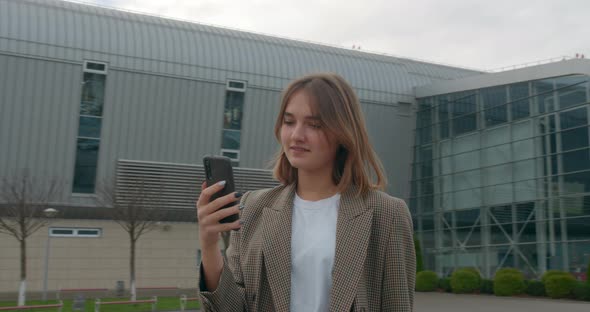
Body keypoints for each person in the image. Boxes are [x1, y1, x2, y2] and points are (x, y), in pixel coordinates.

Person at [196, 73, 415, 311]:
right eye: (289, 122)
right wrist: (209, 244)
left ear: (343, 132)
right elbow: (231, 308)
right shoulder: (253, 208)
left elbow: (397, 304)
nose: (296, 135)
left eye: (314, 125)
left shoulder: (387, 214)